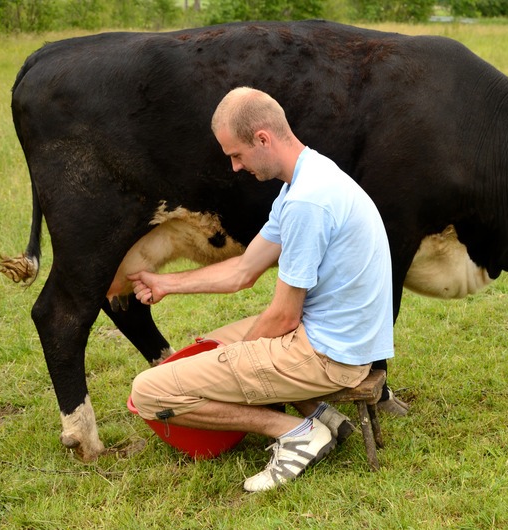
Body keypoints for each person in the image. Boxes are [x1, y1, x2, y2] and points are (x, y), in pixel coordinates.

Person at [127, 87, 394, 493]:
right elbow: (244, 269)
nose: (235, 167)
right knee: (213, 345)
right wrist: (166, 283)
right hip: (336, 337)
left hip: (329, 355)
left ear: (263, 139)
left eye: (236, 155)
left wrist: (239, 361)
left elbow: (284, 316)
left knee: (149, 391)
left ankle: (296, 432)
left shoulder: (309, 202)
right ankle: (325, 418)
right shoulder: (307, 177)